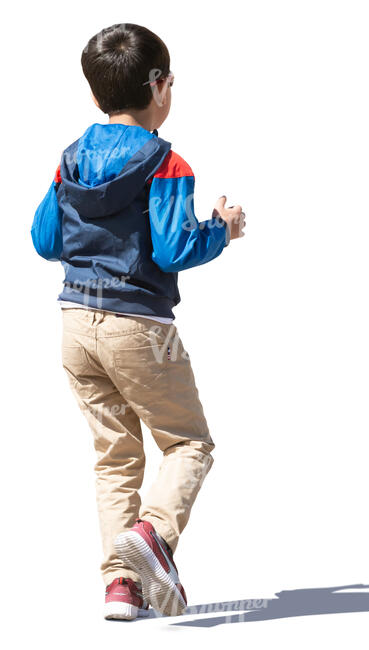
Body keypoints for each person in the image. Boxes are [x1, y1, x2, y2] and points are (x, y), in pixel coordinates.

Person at [30, 22, 246, 620]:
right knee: (190, 443)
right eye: (170, 81)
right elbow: (176, 249)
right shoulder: (166, 163)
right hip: (139, 327)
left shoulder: (70, 161)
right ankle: (152, 538)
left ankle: (121, 587)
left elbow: (45, 240)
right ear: (157, 87)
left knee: (115, 456)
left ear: (96, 93)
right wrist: (220, 230)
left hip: (75, 322)